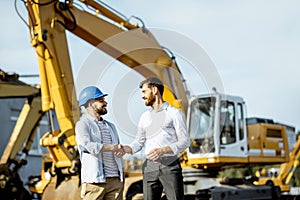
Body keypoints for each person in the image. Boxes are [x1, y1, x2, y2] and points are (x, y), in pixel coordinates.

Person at [122, 77, 190, 200]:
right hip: (150, 167)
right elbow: (138, 142)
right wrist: (126, 148)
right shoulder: (144, 117)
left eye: (144, 92)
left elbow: (185, 141)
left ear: (154, 90)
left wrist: (163, 150)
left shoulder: (174, 113)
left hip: (169, 164)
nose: (142, 96)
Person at [75, 86, 125, 200]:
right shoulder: (82, 125)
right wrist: (112, 147)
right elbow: (88, 146)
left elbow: (117, 149)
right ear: (90, 104)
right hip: (95, 182)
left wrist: (119, 152)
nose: (105, 103)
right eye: (101, 100)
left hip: (115, 181)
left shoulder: (111, 126)